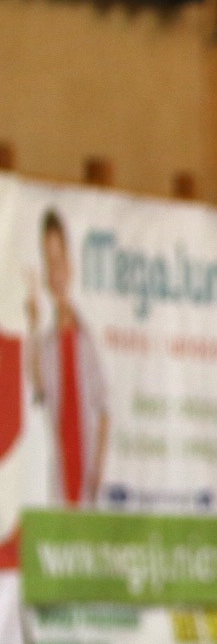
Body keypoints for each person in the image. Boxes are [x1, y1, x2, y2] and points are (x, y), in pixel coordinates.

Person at [26, 209, 108, 507]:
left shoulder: (88, 337)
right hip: (59, 476)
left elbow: (105, 409)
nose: (56, 273)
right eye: (49, 263)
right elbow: (37, 389)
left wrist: (98, 469)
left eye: (59, 261)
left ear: (70, 265)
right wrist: (33, 326)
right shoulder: (45, 344)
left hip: (90, 476)